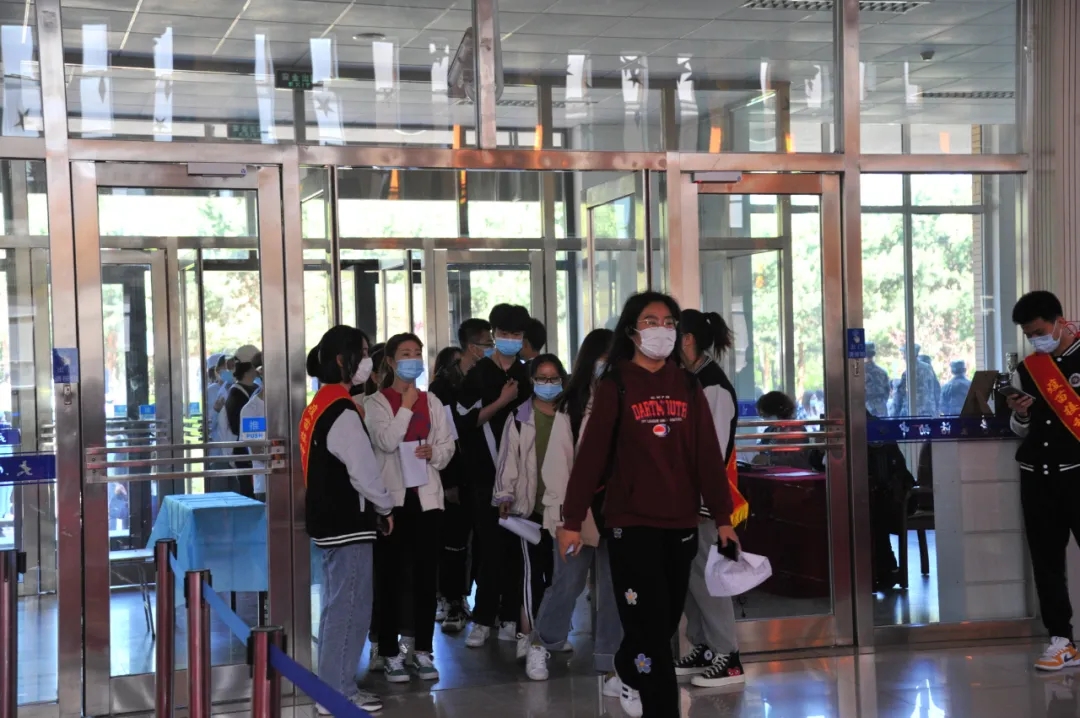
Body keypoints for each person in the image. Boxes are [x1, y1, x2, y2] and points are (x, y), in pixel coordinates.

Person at [557, 291, 736, 718]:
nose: (662, 330)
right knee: (651, 633)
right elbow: (591, 459)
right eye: (651, 322)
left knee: (663, 623)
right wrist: (571, 519)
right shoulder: (616, 384)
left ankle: (626, 663)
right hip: (631, 525)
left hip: (681, 524)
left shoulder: (687, 384)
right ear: (632, 332)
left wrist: (724, 518)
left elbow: (707, 457)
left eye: (669, 322)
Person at [524, 329, 622, 690]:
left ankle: (611, 663)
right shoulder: (573, 405)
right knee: (567, 584)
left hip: (619, 511)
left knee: (613, 590)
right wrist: (565, 517)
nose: (608, 365)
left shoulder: (626, 398)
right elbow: (558, 466)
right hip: (577, 512)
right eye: (603, 358)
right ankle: (541, 643)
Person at [302, 325, 393, 714]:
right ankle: (337, 692)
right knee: (350, 606)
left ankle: (332, 686)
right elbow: (364, 472)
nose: (368, 360)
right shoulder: (341, 410)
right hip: (347, 523)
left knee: (337, 604)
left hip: (330, 521)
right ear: (342, 360)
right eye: (364, 352)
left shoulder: (321, 404)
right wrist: (385, 508)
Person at [366, 333, 455, 683]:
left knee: (425, 578)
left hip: (428, 499)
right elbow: (386, 441)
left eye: (417, 353)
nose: (413, 360)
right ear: (390, 361)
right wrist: (405, 405)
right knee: (390, 577)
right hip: (393, 502)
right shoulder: (375, 403)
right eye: (405, 354)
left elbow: (447, 446)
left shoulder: (433, 401)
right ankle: (389, 652)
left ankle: (422, 650)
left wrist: (435, 453)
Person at [674, 309, 747, 688]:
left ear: (687, 340)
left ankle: (727, 654)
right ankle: (703, 645)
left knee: (707, 575)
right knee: (690, 574)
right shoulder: (692, 380)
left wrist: (708, 503)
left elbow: (712, 452)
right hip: (687, 497)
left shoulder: (712, 386)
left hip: (705, 500)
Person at [1008, 291, 1080, 671]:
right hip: (1036, 478)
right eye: (1029, 335)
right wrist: (1020, 414)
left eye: (1039, 332)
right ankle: (1061, 640)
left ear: (1059, 322)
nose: (1036, 340)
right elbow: (1020, 430)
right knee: (1046, 562)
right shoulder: (1028, 369)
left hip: (1077, 474)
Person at [458, 303, 534, 647]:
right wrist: (502, 401)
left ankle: (510, 616)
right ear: (494, 334)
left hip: (521, 476)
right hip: (485, 474)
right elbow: (464, 422)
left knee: (517, 548)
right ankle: (483, 618)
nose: (510, 339)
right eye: (504, 333)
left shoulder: (527, 375)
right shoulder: (478, 374)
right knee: (489, 547)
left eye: (516, 334)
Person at [492, 353, 568, 662]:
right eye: (542, 378)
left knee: (559, 577)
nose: (548, 384)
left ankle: (552, 633)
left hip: (562, 511)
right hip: (529, 509)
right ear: (532, 381)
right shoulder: (519, 417)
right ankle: (527, 635)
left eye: (553, 378)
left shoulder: (570, 415)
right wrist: (504, 495)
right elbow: (507, 460)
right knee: (531, 575)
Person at [430, 318, 493, 631]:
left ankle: (483, 604)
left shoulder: (488, 377)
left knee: (483, 541)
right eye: (487, 342)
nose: (491, 347)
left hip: (485, 472)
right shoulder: (442, 387)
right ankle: (452, 600)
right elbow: (445, 435)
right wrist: (448, 481)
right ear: (472, 346)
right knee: (454, 542)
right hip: (454, 473)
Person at [217, 345, 261, 496]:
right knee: (250, 495)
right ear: (249, 368)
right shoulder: (236, 394)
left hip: (254, 453)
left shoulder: (256, 388)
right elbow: (238, 427)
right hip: (245, 455)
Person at [754, 391, 824, 471]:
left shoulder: (796, 430)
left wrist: (770, 460)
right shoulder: (770, 430)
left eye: (765, 415)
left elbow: (798, 459)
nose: (764, 419)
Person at [891, 345, 940, 417]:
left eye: (904, 354)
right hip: (929, 412)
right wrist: (937, 409)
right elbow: (937, 388)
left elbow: (899, 396)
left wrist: (894, 415)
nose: (903, 357)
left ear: (908, 355)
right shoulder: (928, 368)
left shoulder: (907, 373)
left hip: (913, 412)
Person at [865, 343, 890, 418]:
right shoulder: (882, 372)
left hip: (865, 410)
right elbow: (887, 391)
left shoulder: (857, 374)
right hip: (881, 409)